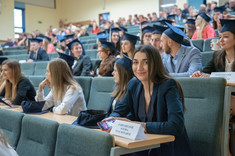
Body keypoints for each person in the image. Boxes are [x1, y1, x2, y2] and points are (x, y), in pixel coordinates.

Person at [105, 45, 192, 156]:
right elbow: (119, 110)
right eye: (135, 62)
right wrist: (112, 120)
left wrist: (141, 126)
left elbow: (175, 126)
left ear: (155, 64)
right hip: (143, 146)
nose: (139, 68)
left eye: (145, 62)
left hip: (168, 149)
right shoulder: (133, 84)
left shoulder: (169, 85)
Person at [191, 19, 235, 156]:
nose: (221, 40)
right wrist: (200, 74)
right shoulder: (217, 55)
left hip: (232, 100)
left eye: (226, 36)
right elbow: (206, 72)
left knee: (222, 109)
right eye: (220, 37)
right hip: (223, 99)